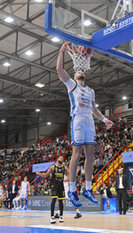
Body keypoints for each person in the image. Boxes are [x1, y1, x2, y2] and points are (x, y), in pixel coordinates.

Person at [56, 43, 114, 208]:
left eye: (81, 71)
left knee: (91, 155)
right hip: (78, 120)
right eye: (76, 72)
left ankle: (87, 189)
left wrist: (104, 120)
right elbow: (60, 71)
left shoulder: (91, 91)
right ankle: (72, 190)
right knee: (77, 153)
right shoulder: (72, 86)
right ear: (74, 77)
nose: (79, 72)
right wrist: (61, 52)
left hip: (90, 120)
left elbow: (94, 109)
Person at [36, 156, 68, 224]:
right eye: (60, 158)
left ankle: (61, 216)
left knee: (61, 201)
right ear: (57, 159)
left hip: (61, 185)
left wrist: (65, 180)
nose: (61, 159)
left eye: (62, 158)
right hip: (54, 185)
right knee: (53, 200)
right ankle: (52, 217)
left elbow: (70, 176)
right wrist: (39, 174)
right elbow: (45, 175)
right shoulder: (53, 167)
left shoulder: (65, 168)